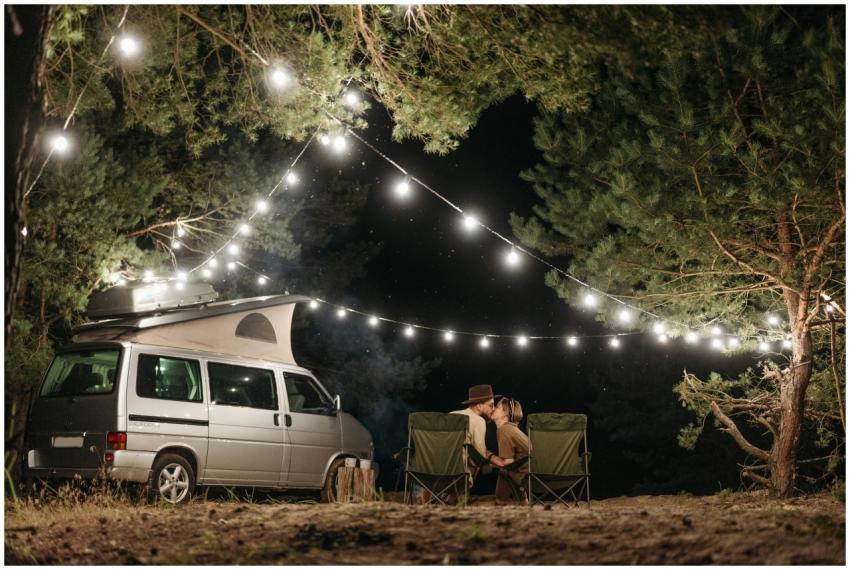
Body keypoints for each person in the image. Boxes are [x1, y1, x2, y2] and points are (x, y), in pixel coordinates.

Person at [492, 396, 529, 504]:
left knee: (505, 470)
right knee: (506, 471)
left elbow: (507, 463)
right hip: (530, 474)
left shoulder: (504, 430)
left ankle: (499, 501)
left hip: (526, 477)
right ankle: (522, 501)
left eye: (497, 407)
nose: (493, 408)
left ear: (505, 413)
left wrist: (487, 456)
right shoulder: (511, 429)